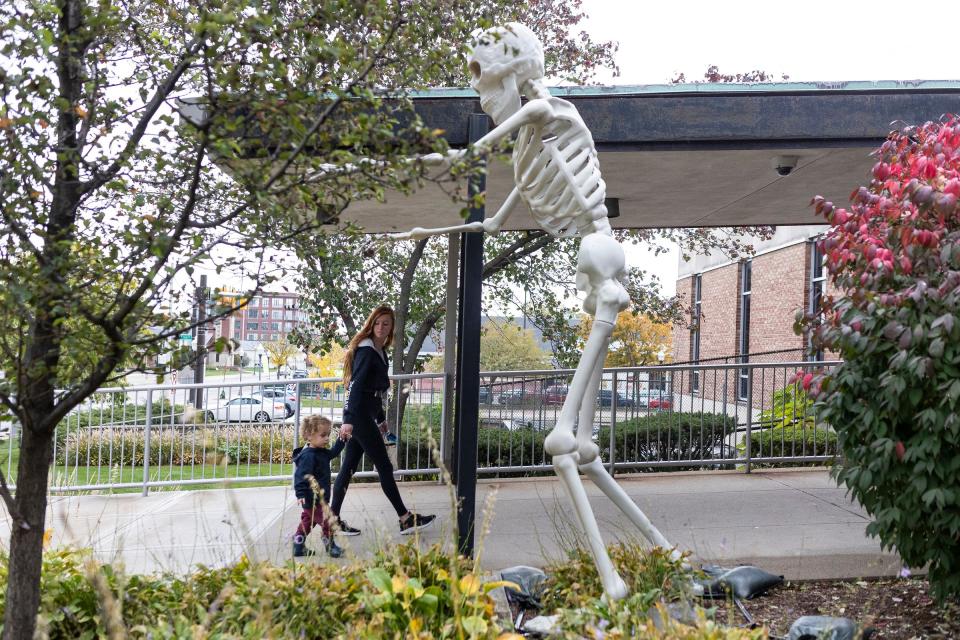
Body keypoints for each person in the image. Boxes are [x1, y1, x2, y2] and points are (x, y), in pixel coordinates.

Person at [331, 305, 436, 535]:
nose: (380, 327)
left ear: (391, 328)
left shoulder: (379, 350)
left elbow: (374, 391)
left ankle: (332, 520)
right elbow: (356, 385)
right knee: (384, 466)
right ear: (371, 324)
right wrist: (348, 419)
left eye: (386, 324)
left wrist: (380, 419)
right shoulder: (367, 350)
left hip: (365, 414)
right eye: (377, 323)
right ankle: (405, 518)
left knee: (348, 467)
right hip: (357, 416)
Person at [291, 415, 346, 558]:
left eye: (328, 435)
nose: (327, 438)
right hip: (312, 498)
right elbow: (301, 476)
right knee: (329, 520)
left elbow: (333, 453)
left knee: (308, 521)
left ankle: (298, 544)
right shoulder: (308, 456)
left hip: (319, 497)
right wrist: (301, 494)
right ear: (309, 436)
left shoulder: (320, 452)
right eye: (323, 435)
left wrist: (341, 440)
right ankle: (330, 545)